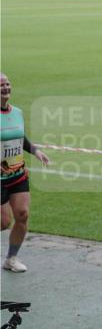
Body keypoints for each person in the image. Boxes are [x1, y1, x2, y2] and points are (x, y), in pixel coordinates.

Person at [1, 73, 50, 273]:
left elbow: (20, 138)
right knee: (3, 222)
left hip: (17, 174)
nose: (5, 88)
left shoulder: (17, 112)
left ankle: (11, 259)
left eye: (7, 84)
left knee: (22, 215)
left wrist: (36, 151)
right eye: (1, 85)